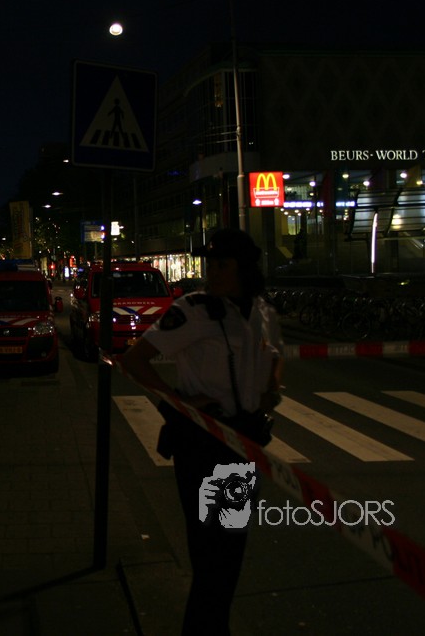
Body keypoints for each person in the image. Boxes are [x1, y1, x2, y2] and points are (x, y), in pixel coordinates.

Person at [117, 228, 283, 636]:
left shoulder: (263, 312)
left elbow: (274, 357)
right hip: (203, 445)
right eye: (211, 264)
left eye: (222, 264)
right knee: (210, 558)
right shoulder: (193, 310)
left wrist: (271, 392)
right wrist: (177, 402)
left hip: (242, 444)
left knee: (229, 554)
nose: (213, 272)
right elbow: (135, 360)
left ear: (245, 268)